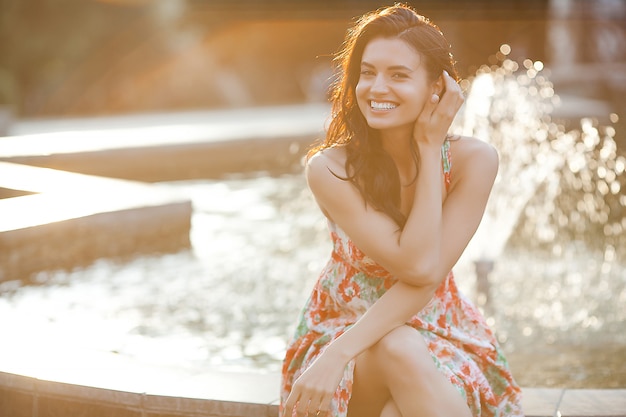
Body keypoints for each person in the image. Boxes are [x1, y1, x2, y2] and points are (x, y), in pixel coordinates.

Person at [281, 4, 523, 417]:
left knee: (399, 405)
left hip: (441, 334)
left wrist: (430, 150)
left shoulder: (474, 160)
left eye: (398, 75)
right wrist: (337, 354)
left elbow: (423, 272)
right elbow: (417, 266)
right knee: (398, 345)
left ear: (438, 88)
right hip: (342, 332)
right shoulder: (331, 168)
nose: (377, 88)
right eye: (368, 71)